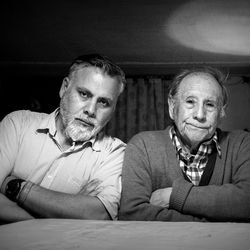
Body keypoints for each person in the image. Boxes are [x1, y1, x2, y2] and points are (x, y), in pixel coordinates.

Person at [0, 53, 126, 224]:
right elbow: (82, 216)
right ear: (64, 88)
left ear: (114, 109)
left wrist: (15, 188)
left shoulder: (115, 153)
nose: (90, 110)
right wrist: (64, 213)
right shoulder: (18, 124)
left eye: (103, 102)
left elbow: (97, 215)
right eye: (84, 94)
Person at [118, 66, 250, 222]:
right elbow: (133, 214)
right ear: (172, 106)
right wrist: (218, 220)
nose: (199, 115)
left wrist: (175, 196)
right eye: (190, 102)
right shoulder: (143, 146)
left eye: (210, 104)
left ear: (221, 112)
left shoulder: (243, 143)